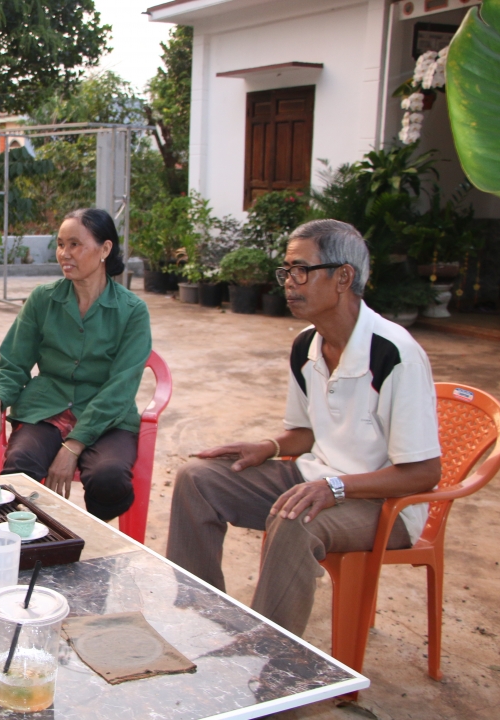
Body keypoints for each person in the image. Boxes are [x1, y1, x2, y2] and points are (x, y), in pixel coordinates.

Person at [166, 219, 442, 635]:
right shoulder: (306, 345)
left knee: (296, 521)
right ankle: (198, 620)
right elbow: (305, 433)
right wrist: (268, 446)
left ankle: (271, 671)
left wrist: (336, 488)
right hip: (315, 477)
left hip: (382, 502)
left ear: (343, 277)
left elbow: (424, 473)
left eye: (301, 271)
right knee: (197, 480)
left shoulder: (395, 353)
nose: (289, 284)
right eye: (286, 272)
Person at [0, 208, 152, 521]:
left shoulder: (132, 311)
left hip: (107, 415)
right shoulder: (43, 299)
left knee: (109, 478)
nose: (64, 254)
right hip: (47, 407)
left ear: (105, 249)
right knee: (20, 467)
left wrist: (73, 446)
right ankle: (26, 545)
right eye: (60, 244)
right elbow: (14, 362)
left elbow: (121, 387)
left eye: (75, 245)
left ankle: (92, 549)